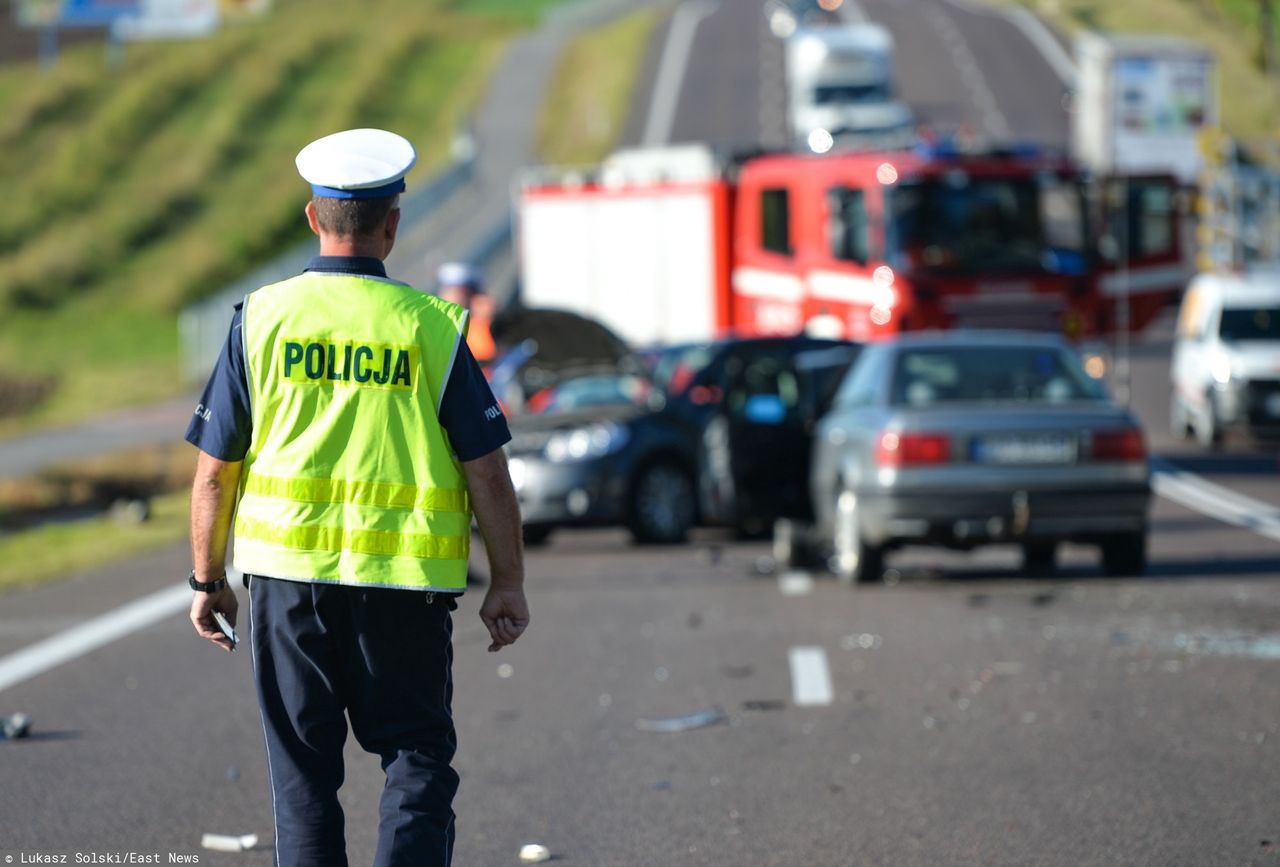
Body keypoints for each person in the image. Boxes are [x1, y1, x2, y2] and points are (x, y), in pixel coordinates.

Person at [184, 128, 528, 867]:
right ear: (392, 224)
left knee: (303, 777)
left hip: (287, 586)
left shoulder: (260, 319)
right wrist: (508, 580)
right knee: (417, 759)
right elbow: (488, 472)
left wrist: (208, 581)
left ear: (313, 218)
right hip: (404, 589)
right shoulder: (431, 330)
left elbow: (216, 471)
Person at [436, 261, 496, 363]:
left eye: (457, 292)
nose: (451, 297)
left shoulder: (482, 325)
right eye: (448, 291)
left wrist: (487, 319)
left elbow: (486, 355)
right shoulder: (436, 323)